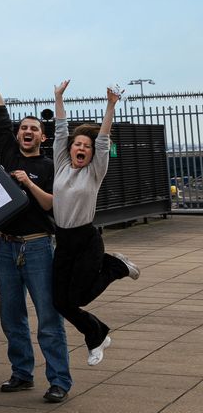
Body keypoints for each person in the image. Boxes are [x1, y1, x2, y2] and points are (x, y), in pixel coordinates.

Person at [0, 51, 70, 403]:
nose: (27, 132)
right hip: (6, 246)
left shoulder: (51, 167)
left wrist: (28, 183)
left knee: (48, 317)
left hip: (37, 247)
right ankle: (22, 373)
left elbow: (52, 204)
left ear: (42, 137)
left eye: (33, 128)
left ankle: (59, 380)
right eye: (23, 128)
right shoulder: (8, 153)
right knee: (11, 316)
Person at [52, 81, 138, 366]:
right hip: (63, 241)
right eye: (77, 144)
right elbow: (60, 130)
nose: (81, 148)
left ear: (91, 153)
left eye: (86, 146)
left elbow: (103, 139)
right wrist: (58, 98)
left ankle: (115, 267)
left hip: (86, 240)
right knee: (59, 302)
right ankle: (97, 334)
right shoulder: (62, 163)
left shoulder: (95, 172)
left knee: (79, 297)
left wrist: (111, 106)